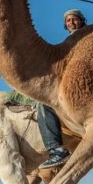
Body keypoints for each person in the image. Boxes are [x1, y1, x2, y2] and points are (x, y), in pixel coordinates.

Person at [37, 9, 87, 169]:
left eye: (74, 19)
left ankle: (56, 149)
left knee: (44, 104)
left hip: (81, 82)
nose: (71, 22)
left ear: (81, 20)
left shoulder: (86, 37)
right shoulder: (69, 41)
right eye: (68, 20)